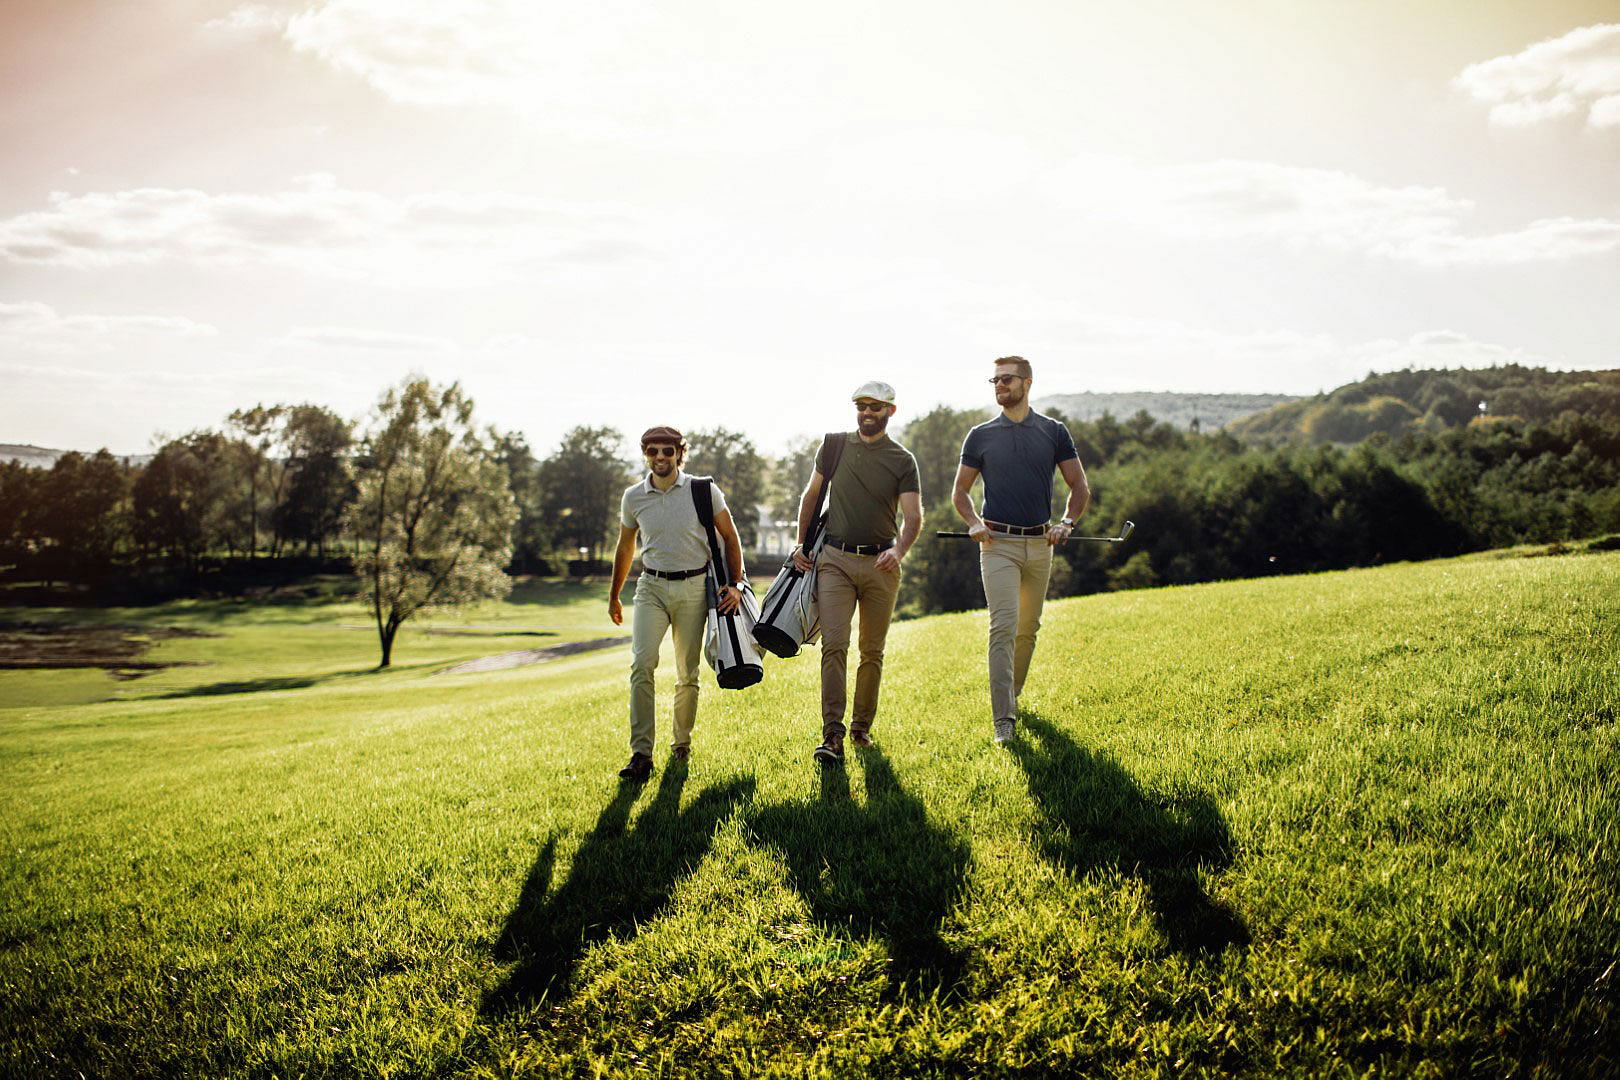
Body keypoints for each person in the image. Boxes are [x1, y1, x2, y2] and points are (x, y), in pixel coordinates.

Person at [951, 356, 1089, 744]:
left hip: (1041, 543)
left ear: (1027, 383)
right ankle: (1003, 720)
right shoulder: (980, 435)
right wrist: (974, 523)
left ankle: (1013, 698)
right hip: (997, 545)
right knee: (1004, 626)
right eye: (994, 380)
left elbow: (1080, 487)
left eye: (1007, 379)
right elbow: (960, 492)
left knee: (1028, 629)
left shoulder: (1053, 431)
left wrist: (1066, 523)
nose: (999, 386)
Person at [790, 381, 923, 764]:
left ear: (890, 412)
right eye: (861, 405)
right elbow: (811, 495)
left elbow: (913, 516)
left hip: (882, 564)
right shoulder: (834, 446)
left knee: (872, 652)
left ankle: (861, 727)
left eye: (875, 407)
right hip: (835, 560)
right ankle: (832, 734)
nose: (867, 412)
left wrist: (899, 550)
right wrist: (801, 544)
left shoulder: (902, 460)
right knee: (834, 644)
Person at [608, 425, 745, 780]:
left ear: (679, 454)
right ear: (645, 455)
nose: (659, 458)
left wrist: (735, 584)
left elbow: (730, 537)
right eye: (652, 451)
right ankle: (641, 754)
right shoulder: (633, 497)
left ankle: (681, 744)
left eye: (667, 451)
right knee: (642, 665)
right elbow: (625, 547)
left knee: (687, 672)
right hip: (650, 587)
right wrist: (614, 596)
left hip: (694, 589)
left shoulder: (703, 490)